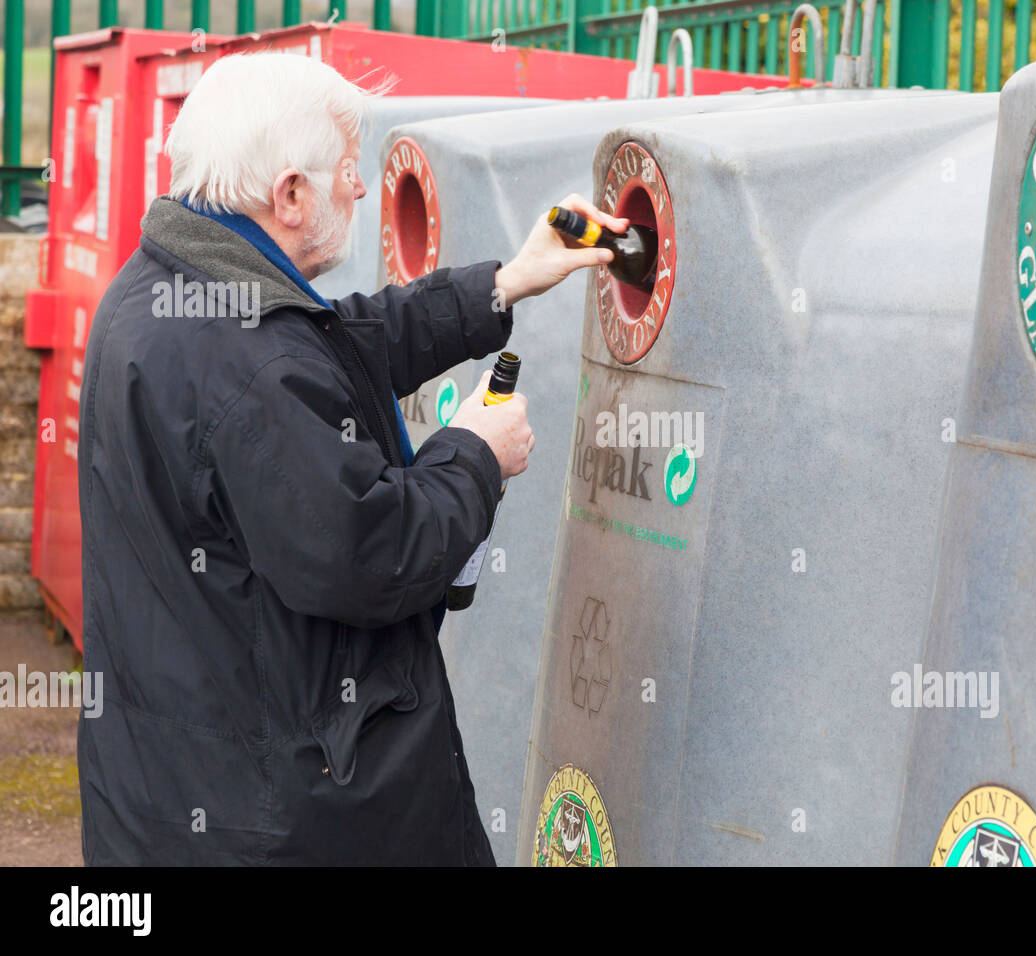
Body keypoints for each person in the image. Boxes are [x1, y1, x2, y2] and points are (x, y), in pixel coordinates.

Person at [76, 52, 627, 865]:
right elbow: (372, 555)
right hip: (291, 822)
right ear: (290, 193)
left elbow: (338, 345)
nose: (361, 190)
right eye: (347, 171)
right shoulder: (247, 359)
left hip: (176, 792)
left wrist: (505, 285)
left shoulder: (169, 285)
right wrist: (476, 452)